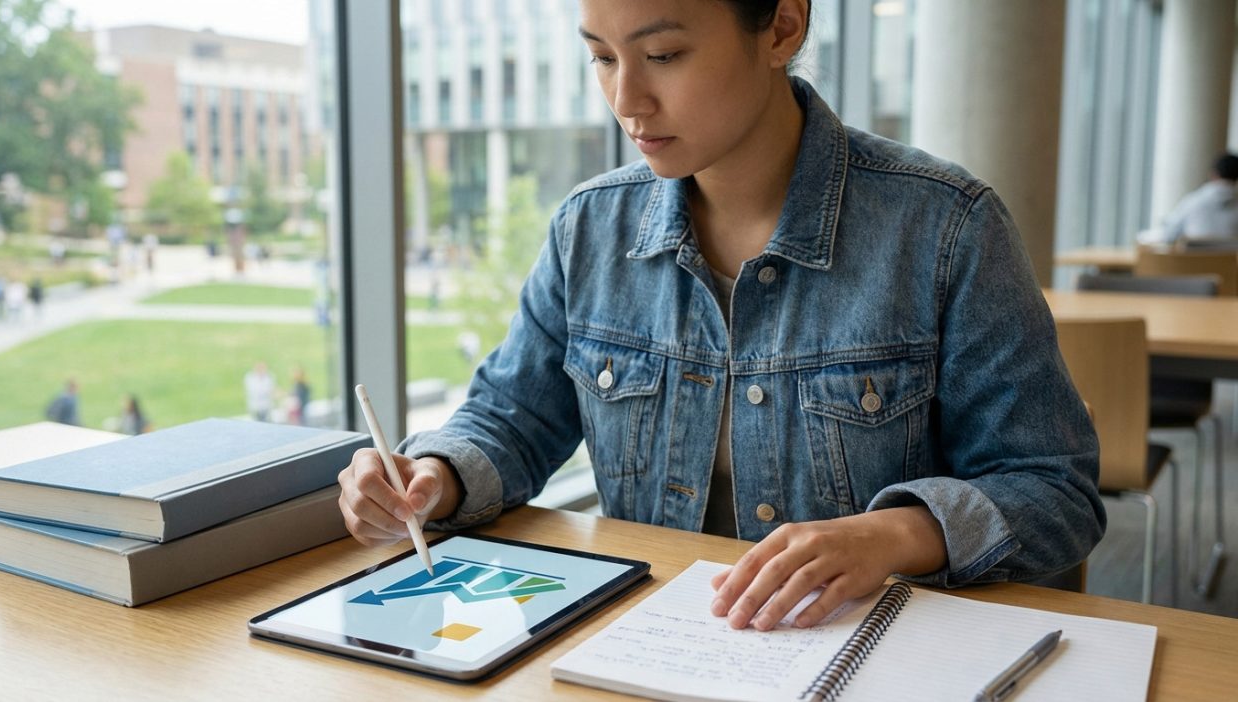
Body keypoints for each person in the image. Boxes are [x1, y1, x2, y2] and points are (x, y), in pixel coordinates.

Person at [338, 0, 1104, 633]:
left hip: (864, 655)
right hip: (651, 647)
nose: (626, 100)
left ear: (782, 27)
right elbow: (511, 421)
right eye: (602, 57)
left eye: (663, 55)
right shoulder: (590, 229)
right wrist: (430, 477)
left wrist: (896, 534)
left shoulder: (946, 228)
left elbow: (1055, 493)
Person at [1142, 152, 1238, 245]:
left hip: (1192, 261)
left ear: (1213, 174)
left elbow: (1168, 235)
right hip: (1229, 261)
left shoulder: (1193, 201)